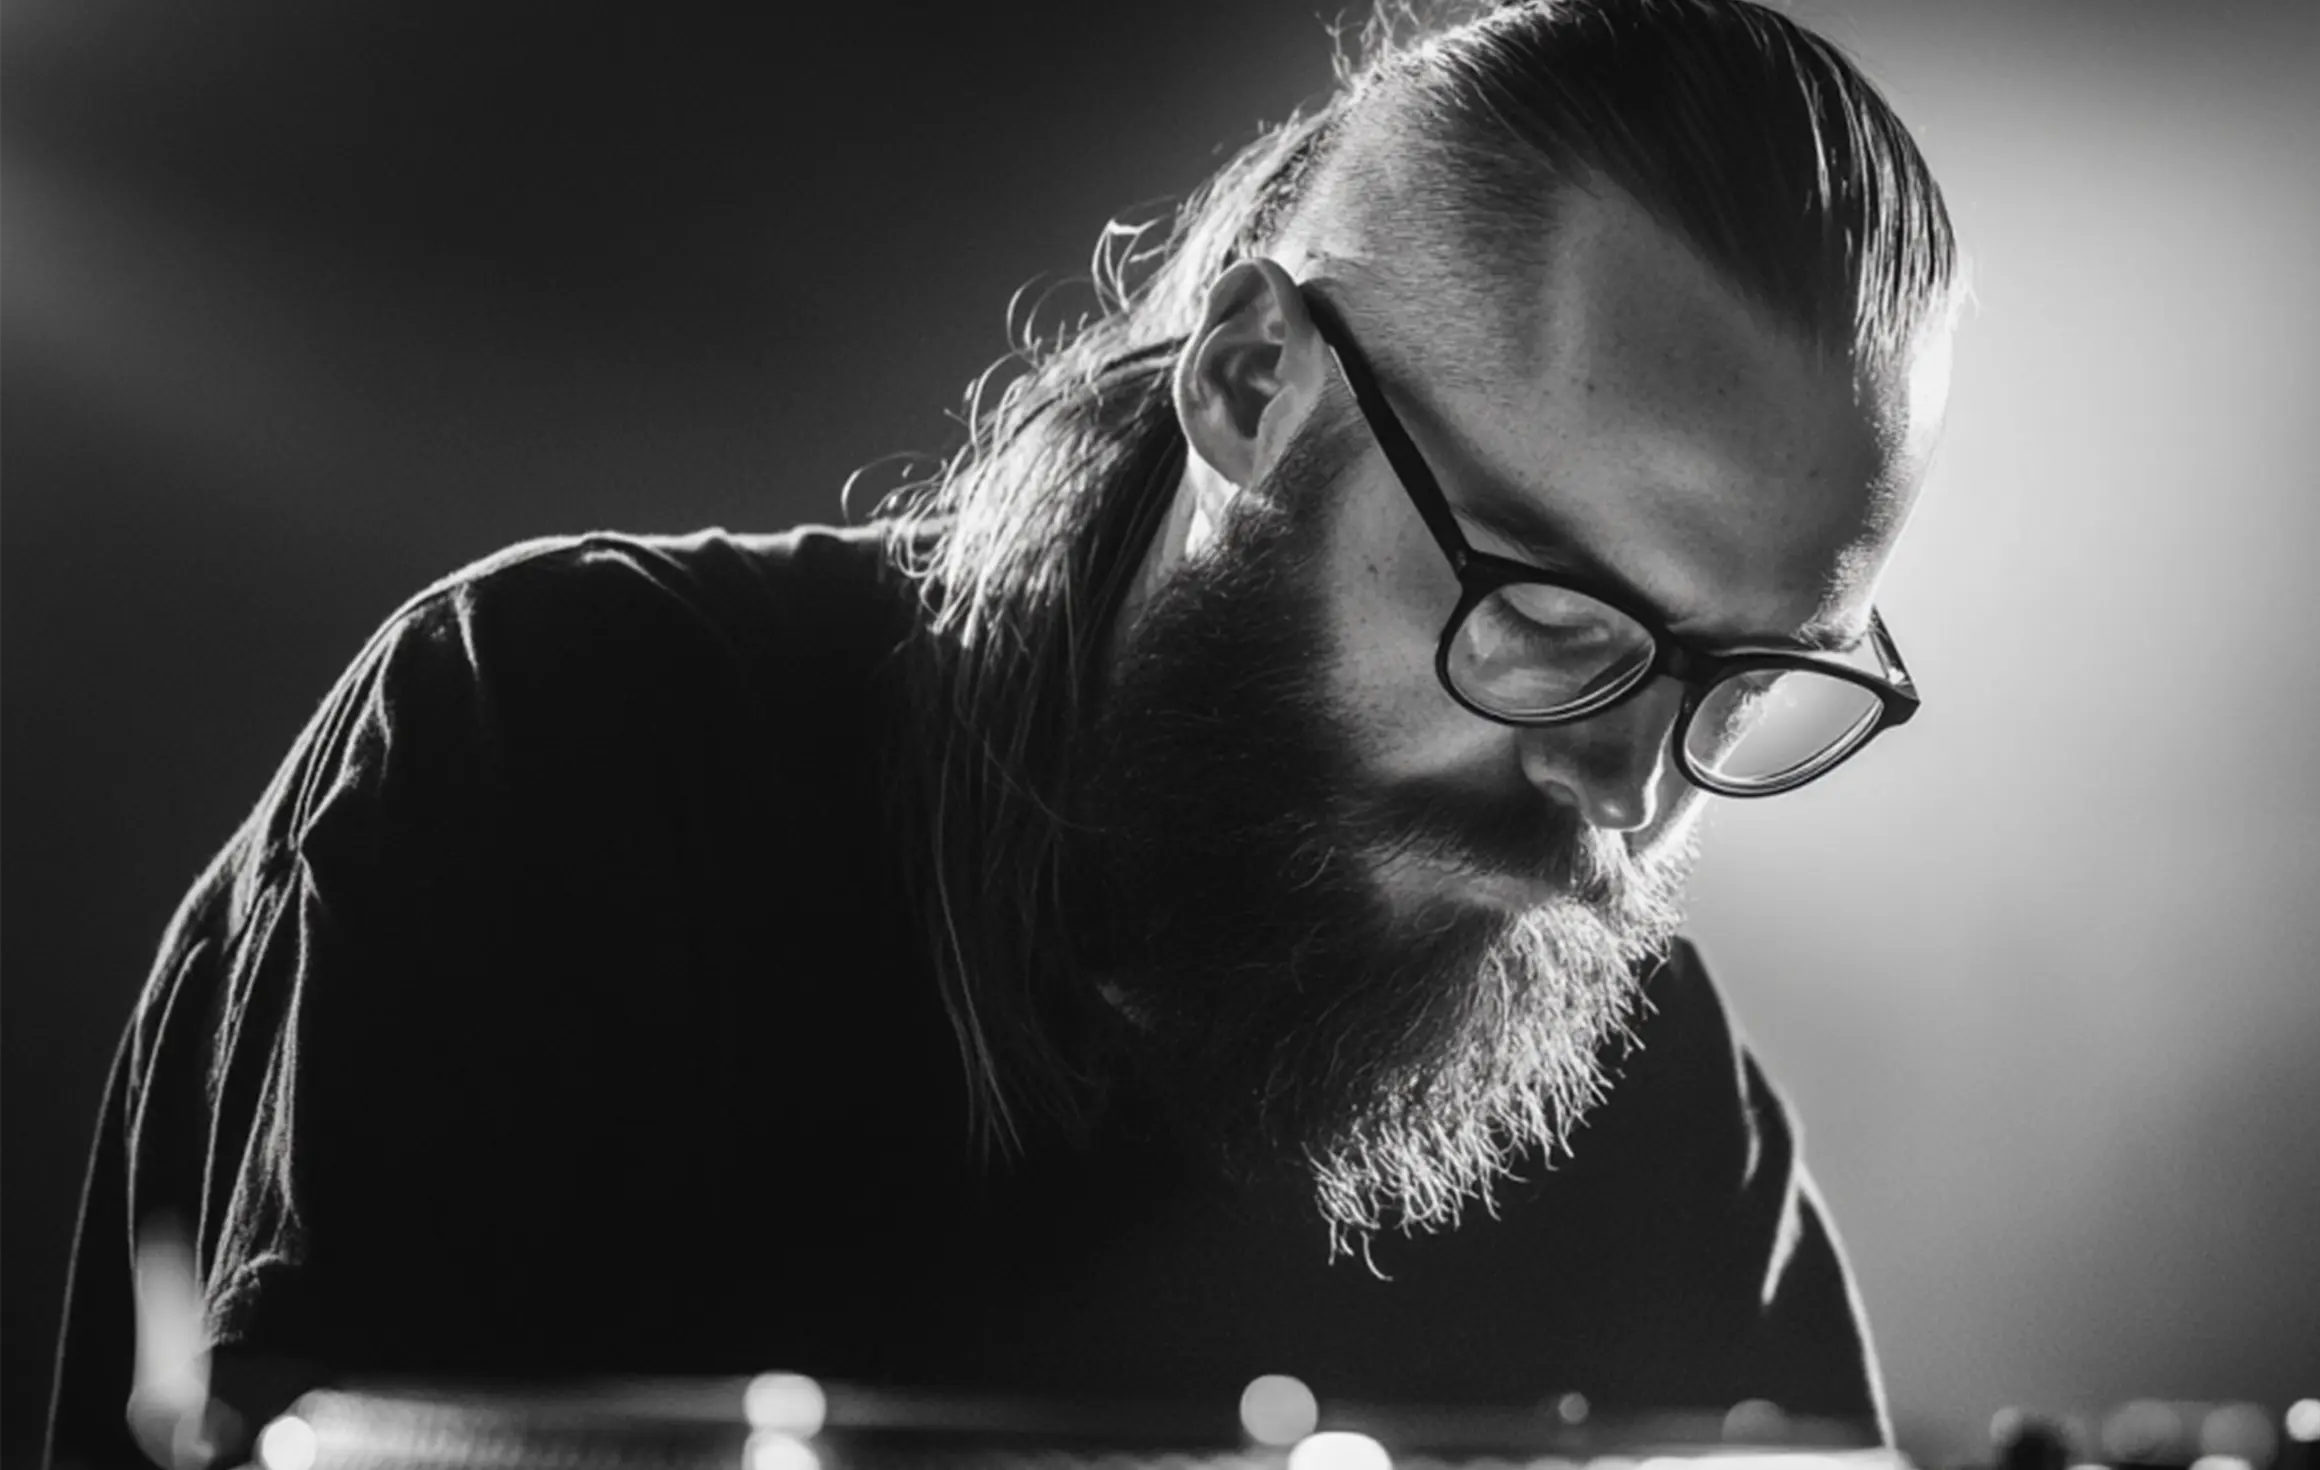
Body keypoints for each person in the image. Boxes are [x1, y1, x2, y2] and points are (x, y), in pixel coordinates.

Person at [46, 0, 1963, 1464]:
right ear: (1252, 380)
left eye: (1744, 680)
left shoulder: (1637, 1084)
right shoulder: (564, 756)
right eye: (1552, 616)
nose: (1625, 797)